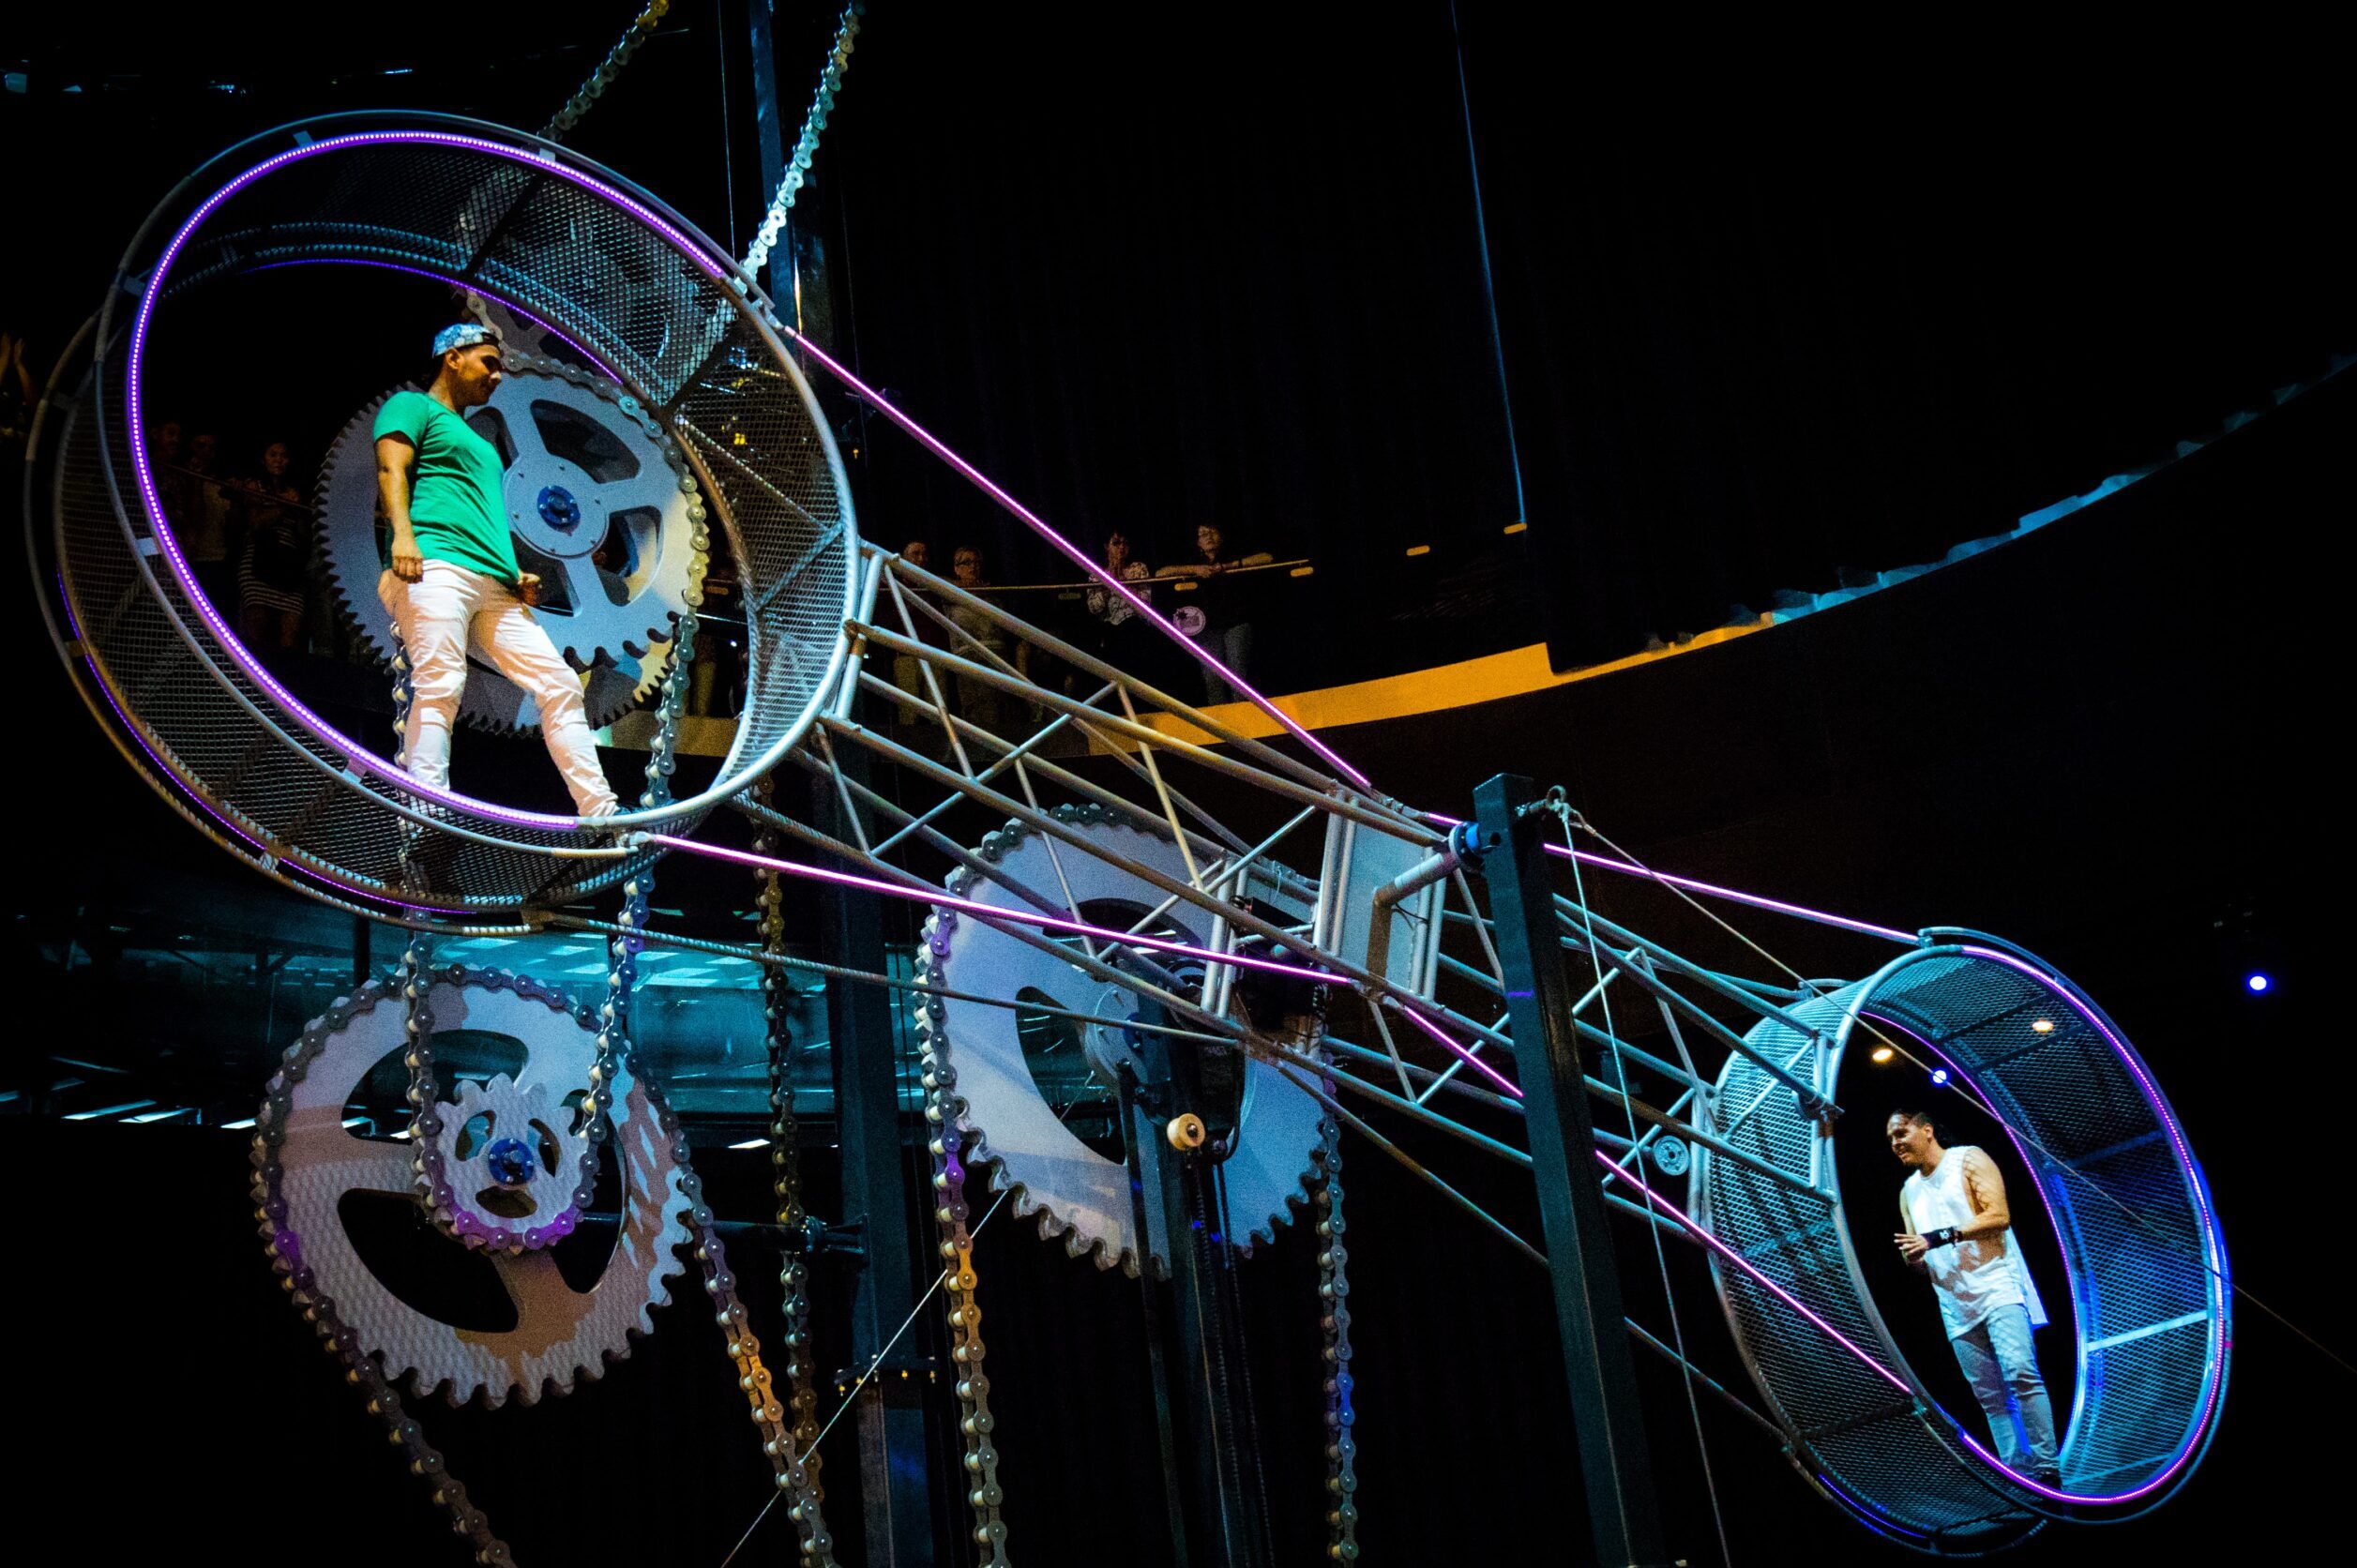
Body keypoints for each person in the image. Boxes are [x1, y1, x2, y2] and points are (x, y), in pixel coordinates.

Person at [373, 324, 618, 818]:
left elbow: (483, 510)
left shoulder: (477, 439)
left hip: (491, 583)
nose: (497, 375)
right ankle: (428, 809)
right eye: (489, 361)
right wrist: (404, 536)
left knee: (561, 684)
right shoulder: (412, 407)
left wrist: (513, 572)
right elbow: (391, 470)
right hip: (435, 562)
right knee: (441, 682)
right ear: (452, 358)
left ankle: (602, 813)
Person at [1890, 1108, 2060, 1485]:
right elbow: (1918, 1250)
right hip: (1954, 1302)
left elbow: (1998, 1216)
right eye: (1891, 1140)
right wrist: (1914, 1257)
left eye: (1901, 1133)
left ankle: (2048, 1467)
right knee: (1989, 1395)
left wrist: (1935, 1238)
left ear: (1927, 1130)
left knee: (2020, 1372)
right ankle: (2019, 1474)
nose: (1896, 1144)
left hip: (1996, 1283)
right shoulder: (1909, 1190)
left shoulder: (1968, 1158)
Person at [1158, 522, 1270, 704]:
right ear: (1198, 542)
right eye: (1203, 534)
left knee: (1238, 676)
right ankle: (1220, 723)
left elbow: (1267, 558)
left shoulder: (1232, 554)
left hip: (1236, 622)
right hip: (1207, 628)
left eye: (1212, 532)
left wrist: (1229, 566)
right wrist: (1195, 569)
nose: (1208, 536)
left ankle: (1242, 716)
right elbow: (1163, 572)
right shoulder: (1194, 560)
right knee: (1212, 678)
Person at [234, 439, 308, 649]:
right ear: (263, 459)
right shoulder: (254, 486)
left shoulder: (294, 491)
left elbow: (303, 537)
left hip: (289, 567)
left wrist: (298, 510)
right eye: (273, 455)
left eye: (283, 456)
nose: (279, 460)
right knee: (255, 638)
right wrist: (284, 506)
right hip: (260, 564)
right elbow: (256, 524)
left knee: (289, 640)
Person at [1082, 529, 1154, 671]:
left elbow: (1145, 604)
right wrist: (1109, 584)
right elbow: (1094, 608)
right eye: (1116, 543)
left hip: (1135, 628)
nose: (1121, 547)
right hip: (1110, 631)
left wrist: (1123, 581)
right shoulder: (1096, 574)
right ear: (1106, 546)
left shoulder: (1138, 568)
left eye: (1125, 543)